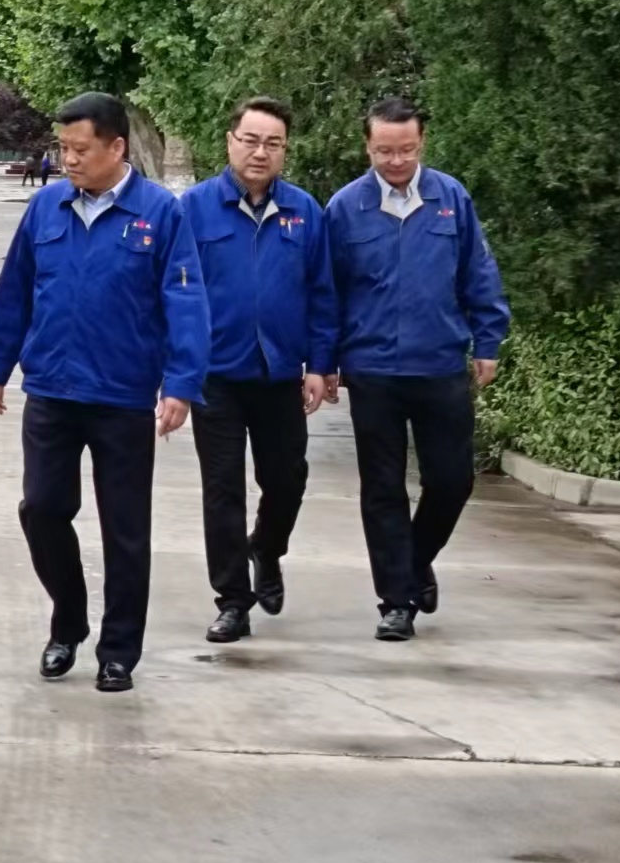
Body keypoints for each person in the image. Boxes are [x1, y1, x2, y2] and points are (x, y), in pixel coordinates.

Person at [0, 92, 209, 694]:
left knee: (125, 529)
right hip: (52, 387)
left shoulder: (160, 213)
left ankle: (118, 651)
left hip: (122, 394)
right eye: (63, 148)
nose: (70, 159)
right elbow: (16, 287)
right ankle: (68, 620)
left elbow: (185, 300)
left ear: (116, 147)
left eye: (81, 149)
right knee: (41, 509)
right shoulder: (46, 207)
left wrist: (181, 382)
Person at [327, 96, 510, 642]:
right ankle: (396, 601)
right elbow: (327, 292)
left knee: (452, 481)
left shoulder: (451, 198)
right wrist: (324, 359)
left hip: (439, 364)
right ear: (367, 146)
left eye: (406, 150)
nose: (396, 161)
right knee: (383, 488)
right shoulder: (345, 208)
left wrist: (488, 340)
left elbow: (478, 272)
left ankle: (413, 562)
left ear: (421, 142)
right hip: (373, 369)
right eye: (384, 151)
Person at [179, 98, 337, 644]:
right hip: (215, 375)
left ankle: (266, 549)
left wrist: (320, 364)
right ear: (230, 142)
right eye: (250, 140)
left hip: (279, 374)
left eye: (273, 143)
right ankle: (232, 601)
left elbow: (322, 292)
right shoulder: (194, 209)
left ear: (285, 151)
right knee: (222, 489)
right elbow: (175, 291)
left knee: (287, 480)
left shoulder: (304, 211)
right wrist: (176, 366)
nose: (260, 152)